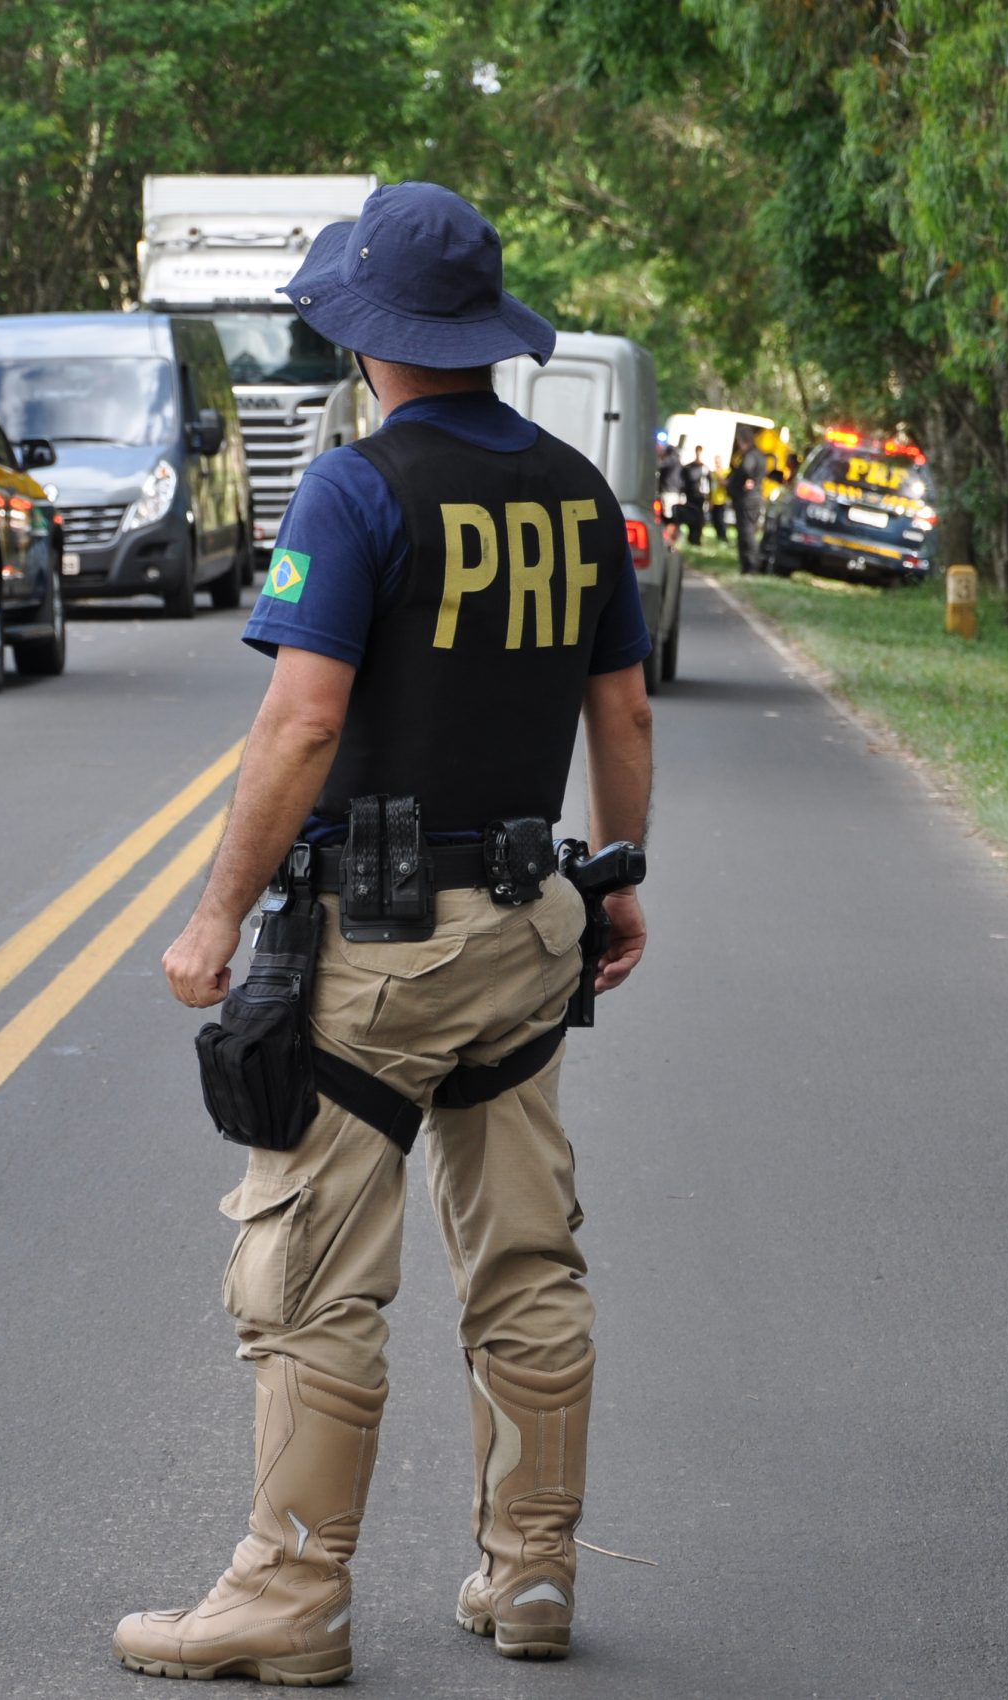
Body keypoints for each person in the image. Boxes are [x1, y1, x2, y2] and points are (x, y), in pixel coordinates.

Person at [118, 182, 655, 1685]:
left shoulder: (355, 491)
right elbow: (620, 708)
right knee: (528, 1259)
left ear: (366, 335)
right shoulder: (575, 492)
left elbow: (302, 723)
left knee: (307, 1276)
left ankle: (289, 1595)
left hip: (379, 952)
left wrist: (215, 916)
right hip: (529, 930)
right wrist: (618, 880)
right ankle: (531, 1571)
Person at [732, 438, 770, 574]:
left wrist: (747, 479)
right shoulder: (760, 455)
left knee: (746, 532)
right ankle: (750, 565)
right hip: (755, 498)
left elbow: (746, 468)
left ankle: (751, 565)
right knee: (749, 531)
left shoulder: (751, 455)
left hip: (747, 499)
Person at [679, 451, 707, 546]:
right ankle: (691, 538)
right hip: (691, 496)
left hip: (699, 497)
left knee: (698, 518)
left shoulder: (703, 468)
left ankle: (696, 538)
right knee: (691, 517)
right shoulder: (690, 467)